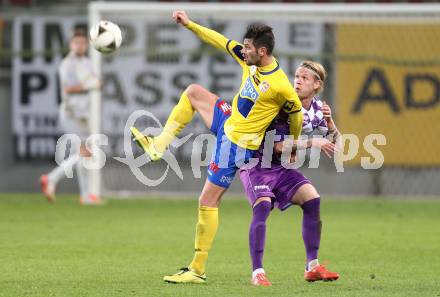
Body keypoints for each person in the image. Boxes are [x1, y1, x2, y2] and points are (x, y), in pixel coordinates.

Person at [130, 11, 303, 283]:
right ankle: (158, 147)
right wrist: (189, 24)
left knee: (207, 201)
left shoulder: (281, 86)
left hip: (235, 145)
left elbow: (297, 115)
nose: (243, 50)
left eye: (247, 47)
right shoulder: (250, 61)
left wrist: (292, 142)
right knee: (193, 92)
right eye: (243, 46)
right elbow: (219, 40)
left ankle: (197, 269)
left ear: (263, 50)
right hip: (228, 120)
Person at [239, 61, 341, 286]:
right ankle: (257, 272)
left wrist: (330, 121)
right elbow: (276, 147)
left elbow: (336, 144)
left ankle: (312, 266)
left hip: (279, 167)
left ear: (317, 84)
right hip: (255, 162)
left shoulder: (316, 110)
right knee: (263, 205)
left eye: (305, 78)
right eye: (297, 76)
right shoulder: (284, 104)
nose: (298, 81)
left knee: (312, 199)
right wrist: (311, 141)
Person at [40, 29, 101, 205]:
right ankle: (51, 178)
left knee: (83, 155)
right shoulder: (67, 64)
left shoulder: (88, 63)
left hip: (84, 114)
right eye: (77, 43)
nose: (80, 46)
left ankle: (84, 196)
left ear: (87, 45)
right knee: (85, 153)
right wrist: (91, 84)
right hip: (71, 113)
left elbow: (96, 82)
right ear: (71, 45)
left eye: (83, 43)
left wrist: (95, 83)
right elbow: (68, 89)